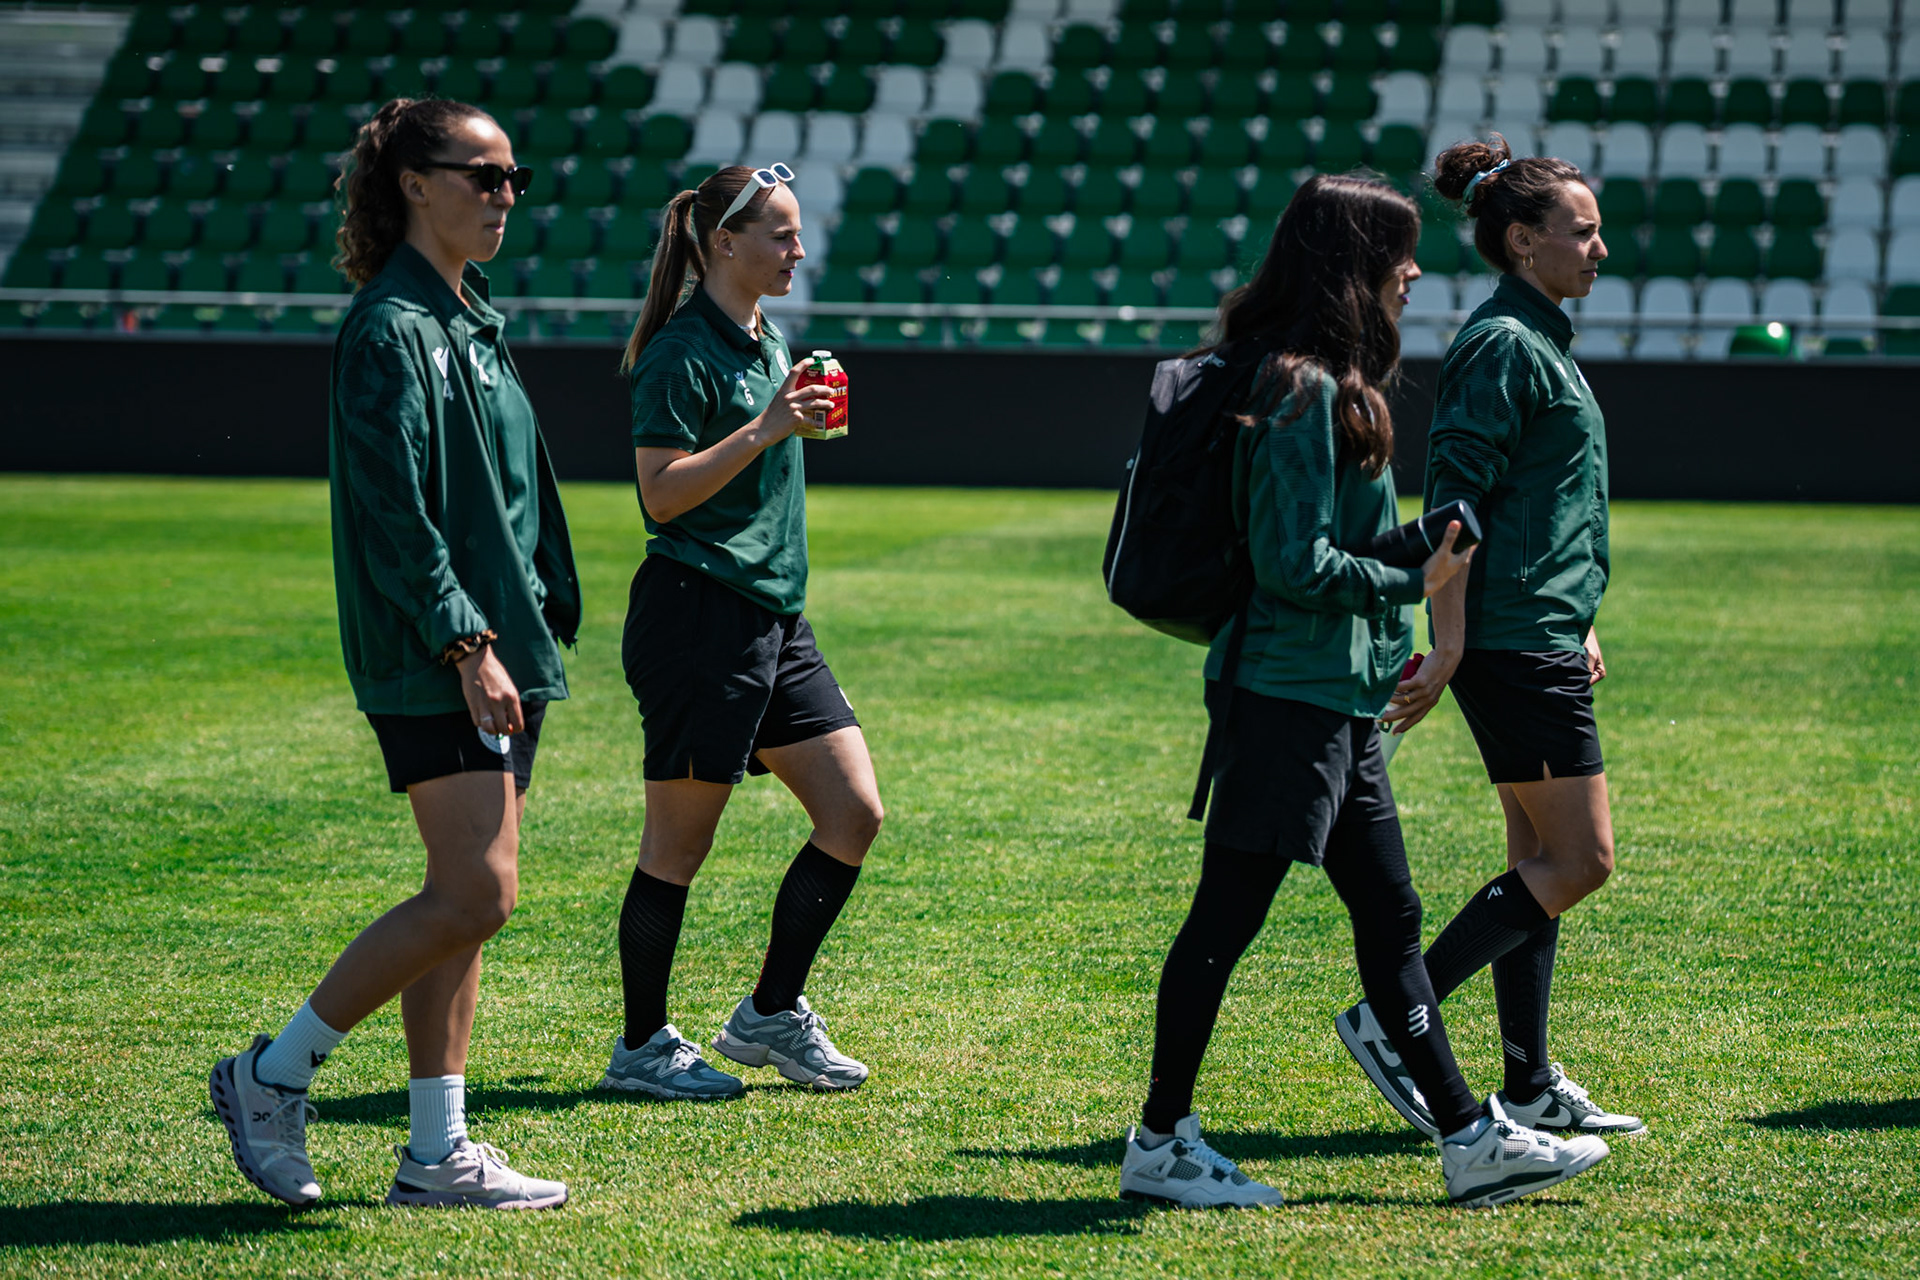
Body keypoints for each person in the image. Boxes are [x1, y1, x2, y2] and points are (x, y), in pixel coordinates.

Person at [1117, 173, 1610, 1211]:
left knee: (1390, 916)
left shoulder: (1328, 381)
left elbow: (1332, 550)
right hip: (1283, 695)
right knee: (1224, 918)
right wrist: (1412, 580)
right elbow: (1294, 562)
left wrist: (1401, 593)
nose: (1416, 271)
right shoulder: (1297, 388)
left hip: (1334, 698)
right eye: (1399, 254)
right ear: (1355, 265)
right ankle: (1161, 1137)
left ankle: (1472, 1138)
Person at [209, 98, 577, 1210]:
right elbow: (393, 509)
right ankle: (272, 1074)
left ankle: (437, 1151)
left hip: (502, 647)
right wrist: (466, 642)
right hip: (441, 648)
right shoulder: (391, 327)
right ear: (414, 182)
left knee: (465, 901)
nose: (505, 193)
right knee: (477, 893)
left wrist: (531, 614)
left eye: (515, 175)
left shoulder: (470, 317)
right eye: (483, 173)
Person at [1340, 136, 1645, 1141]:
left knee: (1534, 861)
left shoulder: (1533, 334)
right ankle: (1400, 1017)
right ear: (1523, 240)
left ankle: (1526, 1082)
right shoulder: (1506, 344)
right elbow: (1459, 505)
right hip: (1514, 643)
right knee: (1582, 858)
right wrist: (1454, 644)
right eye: (1584, 231)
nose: (1602, 248)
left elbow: (1536, 502)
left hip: (1538, 628)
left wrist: (1580, 611)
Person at [601, 163, 883, 1101]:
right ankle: (641, 1045)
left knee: (852, 813)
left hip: (772, 619)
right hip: (697, 619)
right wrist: (765, 429)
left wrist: (788, 415)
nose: (798, 249)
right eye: (781, 234)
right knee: (676, 850)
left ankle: (768, 1014)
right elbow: (660, 491)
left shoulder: (770, 339)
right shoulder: (682, 350)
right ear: (723, 242)